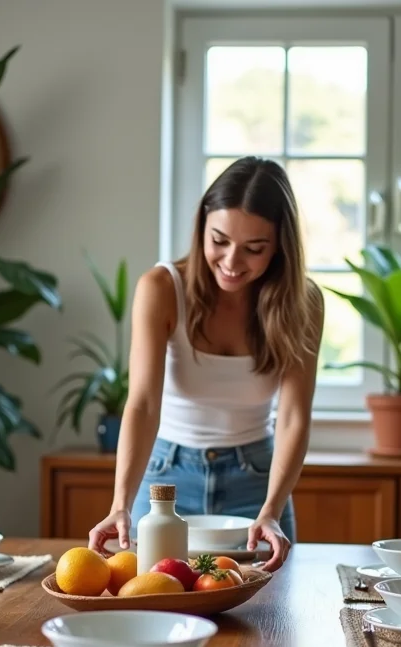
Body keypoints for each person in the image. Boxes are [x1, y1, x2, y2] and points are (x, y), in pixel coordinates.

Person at [87, 156, 324, 572]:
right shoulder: (161, 288)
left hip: (258, 483)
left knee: (266, 624)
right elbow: (142, 403)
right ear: (201, 229)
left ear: (280, 248)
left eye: (254, 249)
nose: (232, 262)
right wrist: (120, 503)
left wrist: (271, 508)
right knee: (156, 604)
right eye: (220, 241)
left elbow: (293, 417)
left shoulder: (303, 301)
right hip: (165, 485)